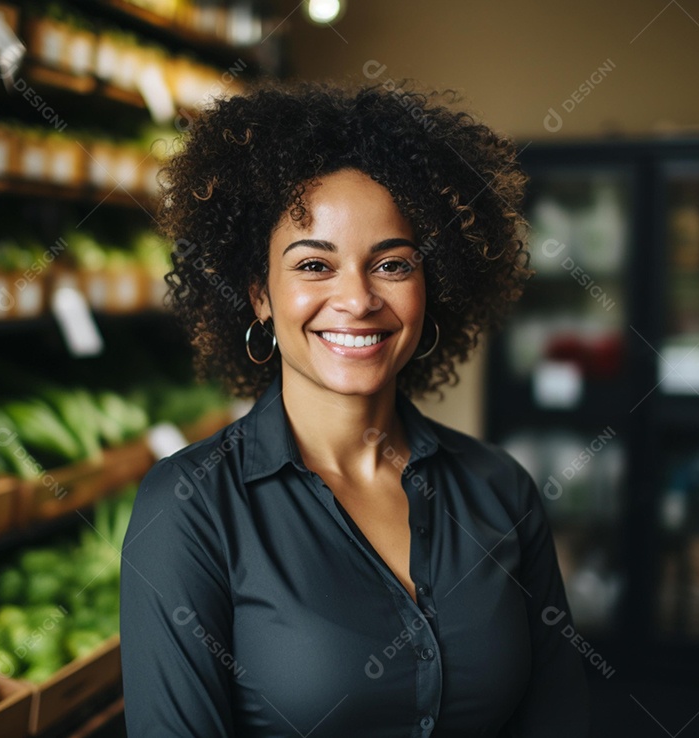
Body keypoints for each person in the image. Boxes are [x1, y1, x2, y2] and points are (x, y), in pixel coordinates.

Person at [119, 79, 591, 737]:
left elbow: (558, 720)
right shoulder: (190, 508)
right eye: (314, 266)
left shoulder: (499, 490)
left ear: (432, 286)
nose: (358, 299)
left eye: (392, 265)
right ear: (259, 293)